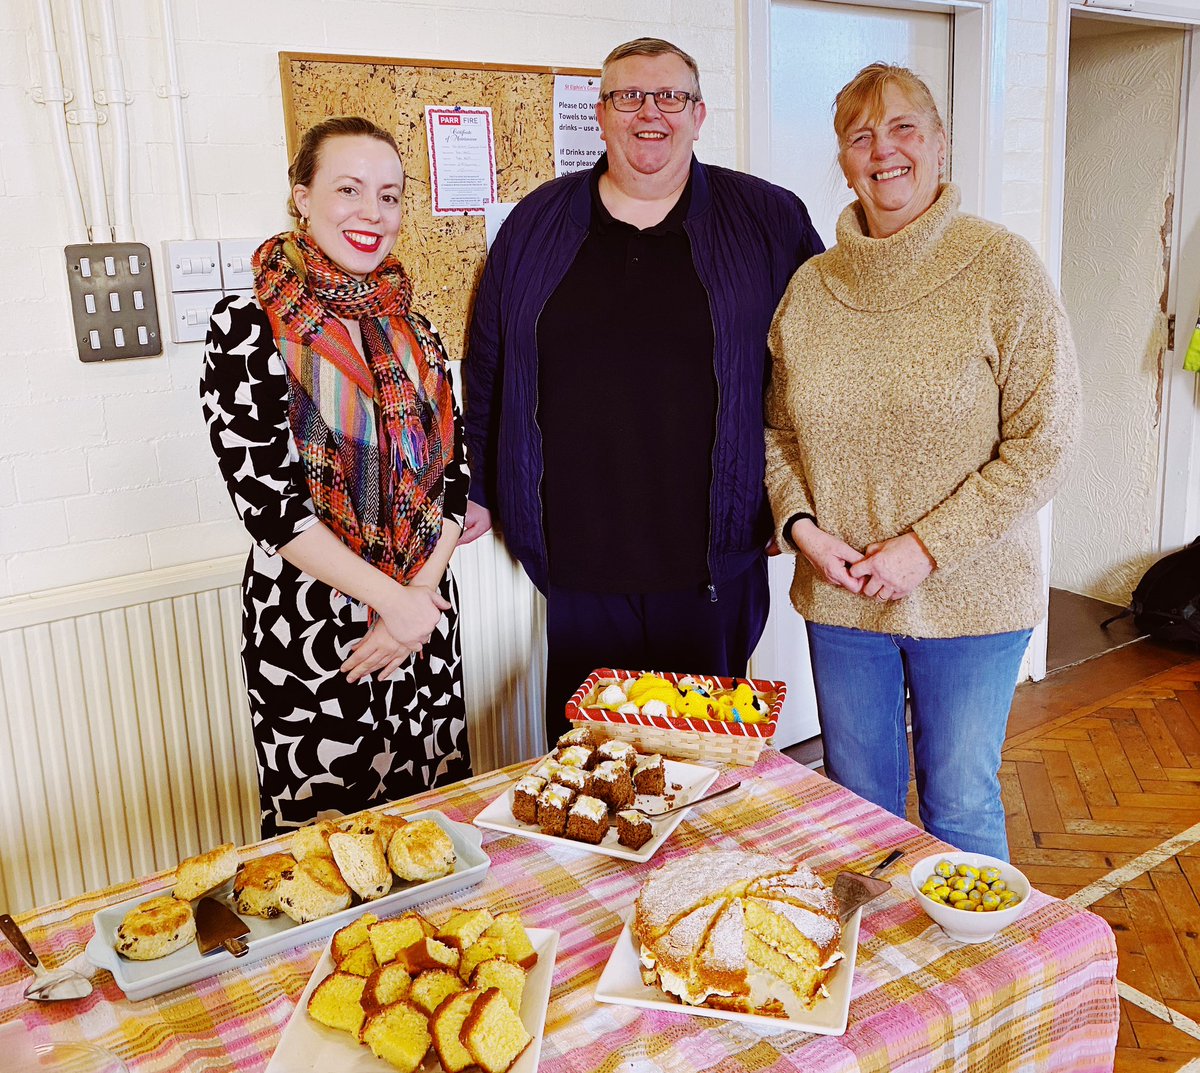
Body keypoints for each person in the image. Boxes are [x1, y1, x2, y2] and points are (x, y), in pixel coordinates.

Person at [463, 38, 824, 742]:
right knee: (589, 778)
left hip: (712, 568)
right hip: (575, 565)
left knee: (704, 778)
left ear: (699, 113)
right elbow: (487, 364)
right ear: (600, 114)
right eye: (629, 96)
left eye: (670, 96)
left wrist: (800, 498)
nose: (649, 112)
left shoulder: (767, 220)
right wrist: (477, 485)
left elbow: (820, 365)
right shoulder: (535, 225)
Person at [765, 64, 1080, 861]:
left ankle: (978, 983)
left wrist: (925, 548)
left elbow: (1045, 439)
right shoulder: (810, 288)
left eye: (904, 127)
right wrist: (800, 527)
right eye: (860, 135)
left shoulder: (1001, 269)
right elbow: (777, 435)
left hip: (971, 597)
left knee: (959, 804)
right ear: (842, 160)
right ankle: (878, 978)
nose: (884, 150)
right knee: (856, 810)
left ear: (940, 145)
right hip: (842, 602)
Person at [201, 116, 471, 838]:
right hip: (316, 628)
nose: (372, 213)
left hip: (421, 622)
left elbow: (455, 479)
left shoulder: (419, 332)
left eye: (389, 195)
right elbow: (269, 506)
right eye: (348, 189)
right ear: (302, 196)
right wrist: (394, 601)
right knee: (328, 852)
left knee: (434, 831)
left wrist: (415, 602)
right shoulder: (246, 325)